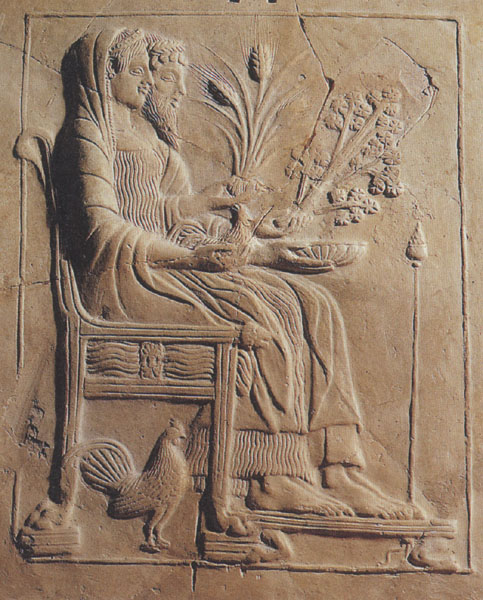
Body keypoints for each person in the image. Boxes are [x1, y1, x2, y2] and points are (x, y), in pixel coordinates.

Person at [54, 28, 418, 521]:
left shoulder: (146, 137)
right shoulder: (87, 135)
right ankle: (271, 477)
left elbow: (156, 212)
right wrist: (189, 259)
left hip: (166, 265)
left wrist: (223, 218)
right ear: (104, 75)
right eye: (137, 72)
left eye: (148, 73)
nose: (147, 84)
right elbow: (102, 230)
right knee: (260, 314)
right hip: (126, 281)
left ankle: (337, 467)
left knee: (316, 304)